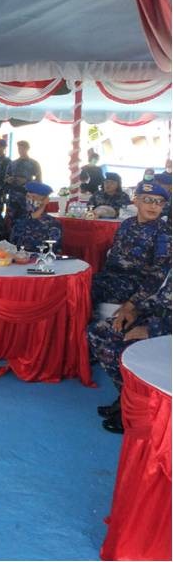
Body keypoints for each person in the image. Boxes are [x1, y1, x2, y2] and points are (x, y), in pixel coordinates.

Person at [88, 269, 171, 433]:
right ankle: (126, 398)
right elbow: (162, 296)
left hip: (166, 332)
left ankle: (139, 410)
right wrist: (134, 310)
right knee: (97, 333)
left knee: (117, 350)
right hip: (157, 317)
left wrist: (152, 330)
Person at [92, 180, 171, 308]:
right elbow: (113, 257)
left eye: (159, 202)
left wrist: (132, 303)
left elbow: (159, 274)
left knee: (82, 292)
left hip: (133, 286)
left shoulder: (164, 233)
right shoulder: (126, 224)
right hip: (109, 278)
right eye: (147, 200)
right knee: (76, 285)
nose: (153, 206)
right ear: (136, 201)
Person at [9, 182, 63, 252]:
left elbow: (54, 250)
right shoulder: (18, 219)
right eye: (28, 196)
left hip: (41, 260)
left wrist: (43, 206)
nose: (30, 200)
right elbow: (12, 245)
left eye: (34, 197)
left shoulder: (53, 223)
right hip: (19, 259)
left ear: (45, 200)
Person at [4, 140, 42, 225]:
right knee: (12, 219)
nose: (20, 150)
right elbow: (6, 177)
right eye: (19, 148)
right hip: (13, 196)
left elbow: (39, 181)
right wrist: (9, 180)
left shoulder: (34, 163)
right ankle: (13, 237)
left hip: (27, 196)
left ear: (27, 149)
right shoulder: (13, 163)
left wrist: (27, 181)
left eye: (22, 148)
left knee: (27, 219)